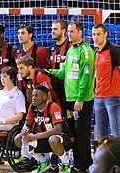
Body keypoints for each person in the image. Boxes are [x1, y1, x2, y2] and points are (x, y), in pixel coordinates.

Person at [49, 21, 95, 172]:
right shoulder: (70, 51)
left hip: (81, 101)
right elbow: (63, 72)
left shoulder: (86, 52)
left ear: (80, 33)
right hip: (69, 100)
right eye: (68, 31)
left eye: (72, 32)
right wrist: (46, 71)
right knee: (73, 135)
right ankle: (76, 165)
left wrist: (80, 99)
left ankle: (85, 165)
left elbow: (86, 78)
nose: (69, 34)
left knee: (82, 135)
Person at [15, 85, 72, 173]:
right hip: (44, 138)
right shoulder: (32, 107)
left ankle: (65, 164)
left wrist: (35, 136)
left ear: (45, 97)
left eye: (36, 95)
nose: (33, 98)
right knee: (18, 139)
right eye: (32, 95)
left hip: (61, 138)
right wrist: (25, 130)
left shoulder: (53, 106)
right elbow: (28, 125)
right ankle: (43, 162)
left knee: (53, 139)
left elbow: (58, 129)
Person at [92, 24, 120, 139]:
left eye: (98, 34)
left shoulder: (115, 50)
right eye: (94, 34)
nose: (95, 37)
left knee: (116, 133)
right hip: (98, 98)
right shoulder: (96, 52)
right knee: (101, 136)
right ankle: (105, 157)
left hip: (113, 97)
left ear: (106, 34)